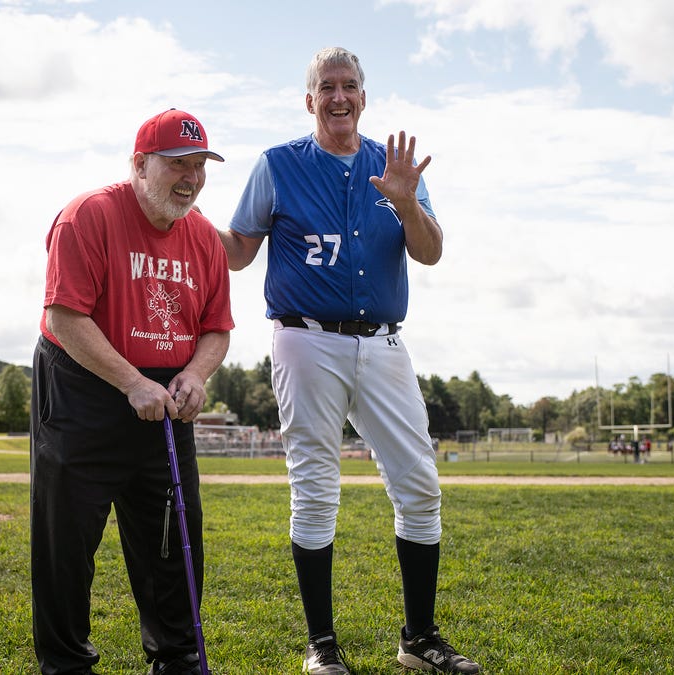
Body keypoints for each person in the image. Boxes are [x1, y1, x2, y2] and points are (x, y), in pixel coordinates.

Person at [219, 47, 481, 674]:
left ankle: (418, 639)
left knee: (419, 484)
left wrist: (405, 200)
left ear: (365, 96)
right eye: (326, 87)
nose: (339, 97)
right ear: (309, 99)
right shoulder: (278, 165)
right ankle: (322, 646)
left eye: (350, 86)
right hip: (305, 338)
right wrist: (186, 222)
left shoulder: (395, 168)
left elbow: (431, 253)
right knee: (315, 488)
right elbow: (236, 254)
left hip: (385, 340)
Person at [30, 109, 233, 675]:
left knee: (172, 539)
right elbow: (66, 318)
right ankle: (67, 664)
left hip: (166, 401)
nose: (189, 177)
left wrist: (195, 374)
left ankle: (176, 657)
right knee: (66, 544)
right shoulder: (88, 216)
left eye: (199, 166)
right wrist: (131, 381)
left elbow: (217, 327)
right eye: (176, 165)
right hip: (84, 391)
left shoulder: (204, 238)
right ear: (141, 164)